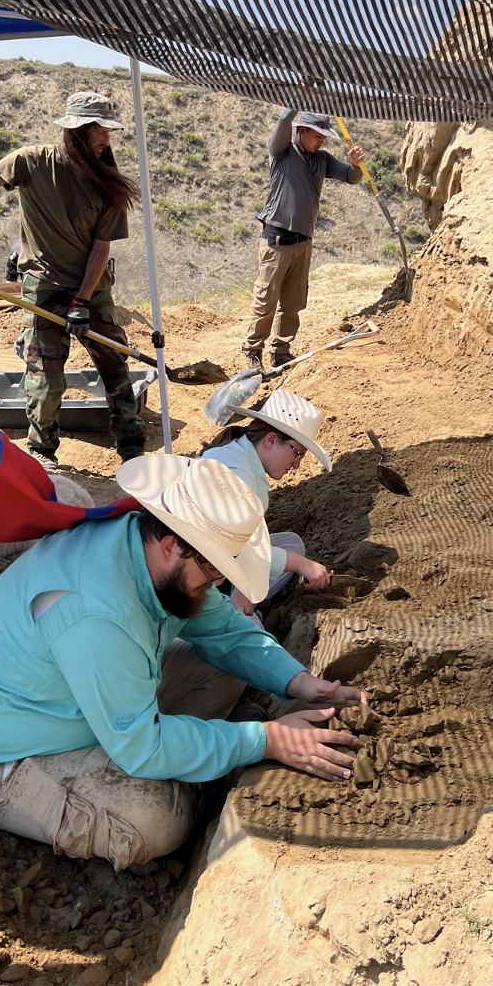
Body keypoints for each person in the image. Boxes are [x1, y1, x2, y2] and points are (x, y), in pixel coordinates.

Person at [0, 455, 364, 868]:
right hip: (6, 754)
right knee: (156, 823)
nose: (216, 583)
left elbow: (226, 632)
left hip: (87, 703)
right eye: (213, 571)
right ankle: (195, 781)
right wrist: (264, 741)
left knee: (221, 667)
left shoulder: (146, 550)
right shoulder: (96, 608)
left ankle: (194, 757)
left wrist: (298, 681)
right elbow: (141, 746)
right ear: (173, 544)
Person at [0, 91, 146, 471]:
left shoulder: (110, 186)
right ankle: (42, 451)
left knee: (115, 367)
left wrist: (82, 303)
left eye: (109, 131)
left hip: (93, 290)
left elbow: (99, 251)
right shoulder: (30, 161)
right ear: (78, 131)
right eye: (100, 130)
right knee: (44, 376)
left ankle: (133, 450)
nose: (107, 139)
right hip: (42, 287)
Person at [243, 110, 365, 374]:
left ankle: (281, 351)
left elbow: (352, 178)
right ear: (302, 131)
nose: (321, 141)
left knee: (293, 302)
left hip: (303, 241)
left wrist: (356, 164)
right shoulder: (282, 152)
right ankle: (253, 352)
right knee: (266, 299)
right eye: (317, 135)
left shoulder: (322, 159)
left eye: (325, 136)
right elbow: (283, 121)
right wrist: (298, 98)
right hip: (277, 240)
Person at [199, 390, 334, 620]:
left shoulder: (242, 458)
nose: (297, 465)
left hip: (221, 563)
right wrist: (302, 566)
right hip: (199, 577)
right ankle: (234, 612)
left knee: (291, 544)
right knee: (250, 629)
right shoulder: (236, 473)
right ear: (271, 440)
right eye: (297, 453)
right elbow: (230, 547)